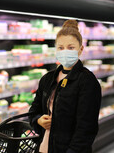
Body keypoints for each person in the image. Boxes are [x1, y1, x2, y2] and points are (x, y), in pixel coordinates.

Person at [29, 20, 102, 153]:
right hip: (43, 148)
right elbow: (34, 111)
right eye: (60, 48)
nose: (65, 51)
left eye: (71, 47)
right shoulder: (47, 79)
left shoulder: (87, 81)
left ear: (80, 50)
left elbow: (86, 128)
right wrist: (38, 120)